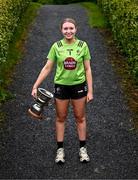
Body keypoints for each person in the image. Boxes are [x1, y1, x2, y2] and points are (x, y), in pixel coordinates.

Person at [31, 18, 93, 164]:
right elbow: (47, 68)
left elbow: (88, 69)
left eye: (71, 28)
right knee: (60, 118)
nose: (68, 31)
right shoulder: (56, 46)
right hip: (61, 87)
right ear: (61, 30)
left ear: (76, 29)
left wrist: (90, 91)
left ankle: (82, 149)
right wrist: (35, 85)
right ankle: (60, 150)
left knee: (80, 117)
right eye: (65, 29)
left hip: (79, 86)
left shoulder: (83, 45)